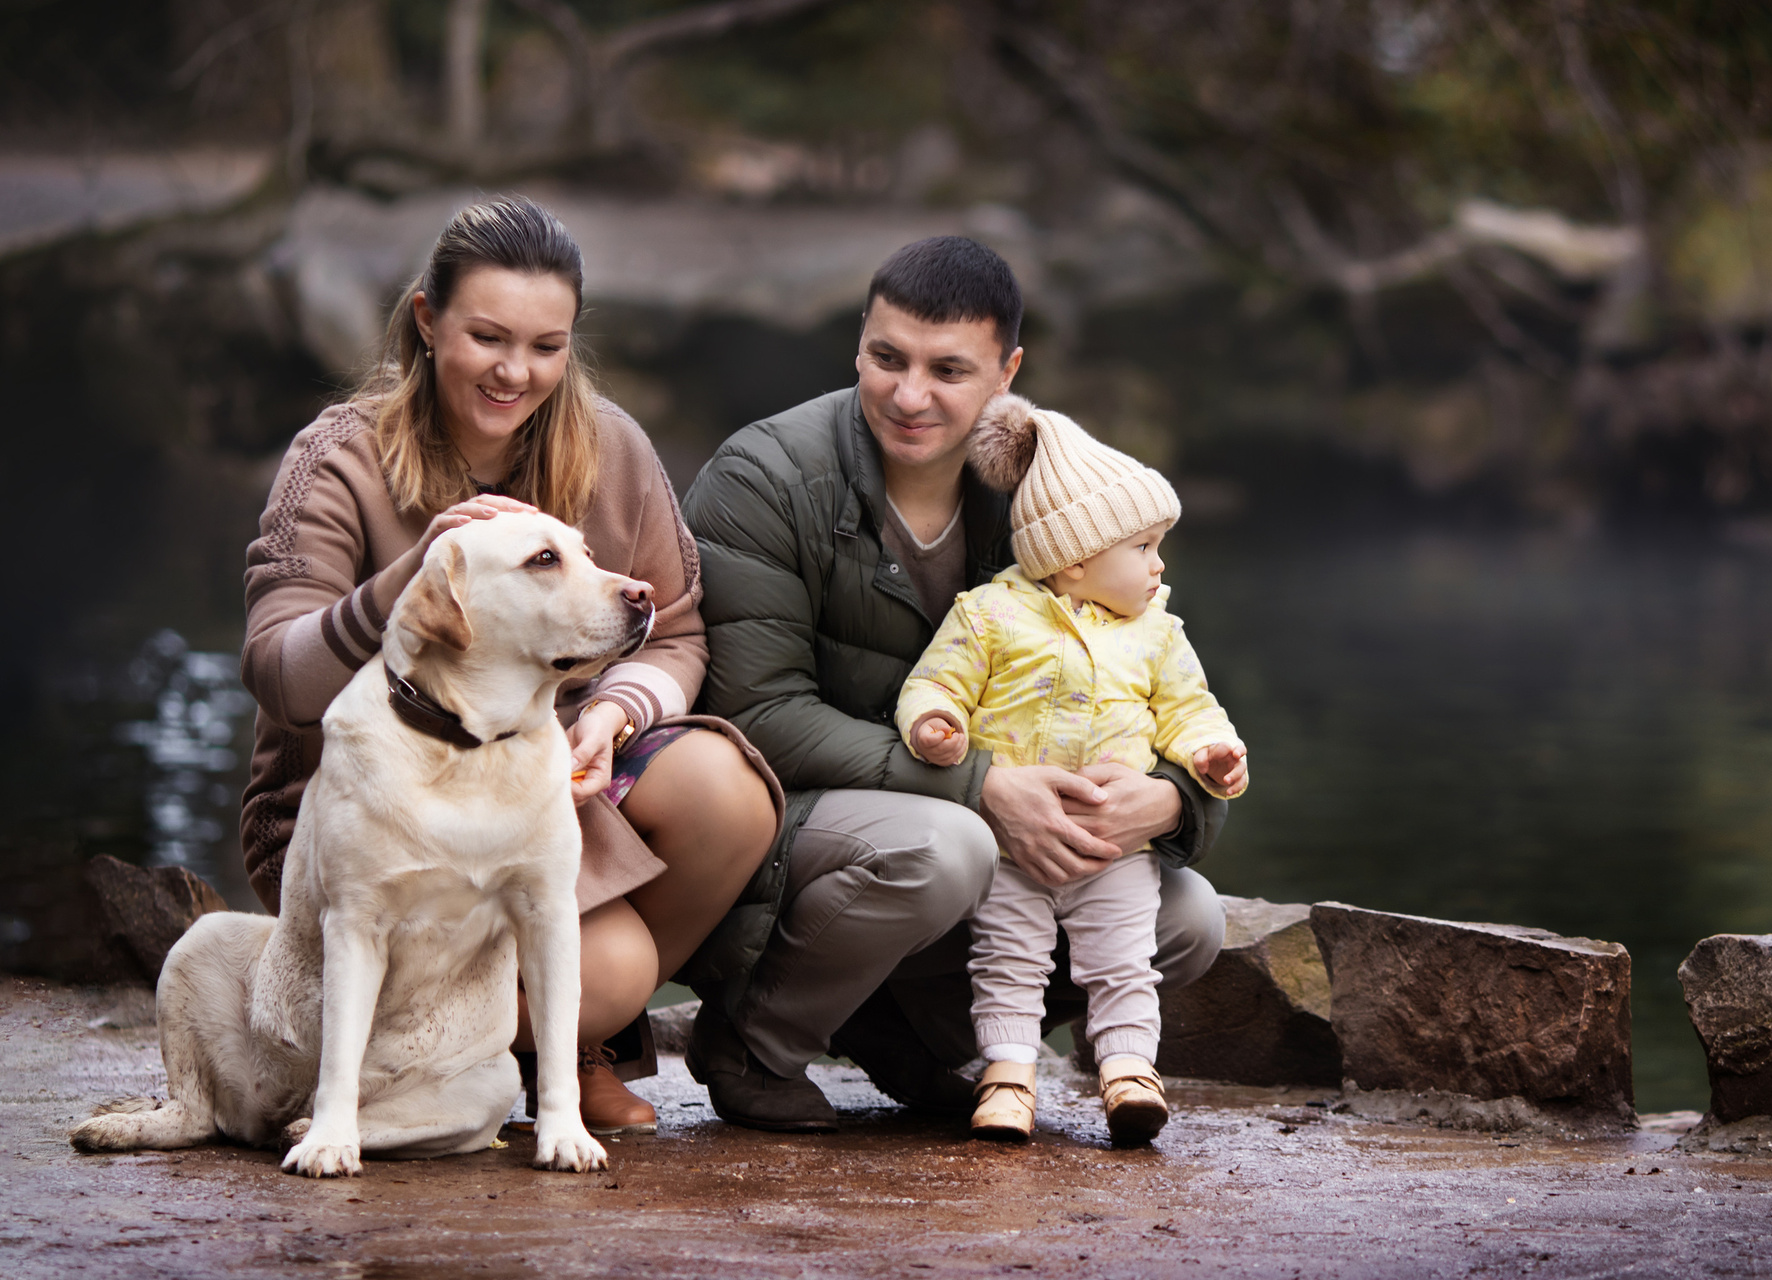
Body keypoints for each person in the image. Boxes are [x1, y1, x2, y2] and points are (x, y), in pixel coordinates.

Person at [239, 195, 782, 1137]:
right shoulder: (340, 458)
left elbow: (681, 634)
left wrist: (609, 718)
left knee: (724, 792)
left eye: (546, 345)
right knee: (606, 969)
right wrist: (414, 581)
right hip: (360, 815)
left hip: (531, 795)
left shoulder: (609, 447)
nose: (514, 371)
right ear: (425, 319)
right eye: (487, 336)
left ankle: (563, 1053)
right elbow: (280, 679)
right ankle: (410, 1074)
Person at [678, 236, 1231, 1133]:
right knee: (944, 848)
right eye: (886, 357)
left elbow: (1159, 681)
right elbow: (755, 716)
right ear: (860, 338)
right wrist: (983, 786)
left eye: (948, 369)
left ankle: (925, 1041)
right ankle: (753, 1039)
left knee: (1190, 917)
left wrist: (1169, 803)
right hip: (800, 823)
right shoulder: (765, 478)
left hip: (970, 834)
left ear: (1009, 370)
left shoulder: (1051, 496)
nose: (909, 395)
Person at [898, 395, 1248, 1145]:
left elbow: (1189, 710)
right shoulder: (989, 615)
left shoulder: (1157, 634)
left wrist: (1210, 755)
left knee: (1124, 958)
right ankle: (1008, 1075)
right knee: (1009, 956)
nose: (1159, 565)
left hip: (1111, 848)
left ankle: (1128, 1072)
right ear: (1076, 558)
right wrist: (937, 724)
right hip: (1014, 845)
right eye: (1145, 547)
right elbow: (937, 682)